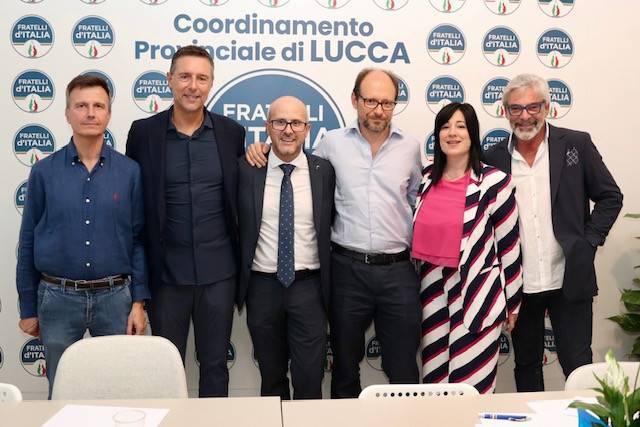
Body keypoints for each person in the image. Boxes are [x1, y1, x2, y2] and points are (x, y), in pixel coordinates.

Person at [246, 68, 422, 398]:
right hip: (346, 272)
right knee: (344, 366)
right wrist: (260, 149)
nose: (378, 109)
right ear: (355, 100)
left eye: (387, 102)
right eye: (370, 101)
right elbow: (291, 158)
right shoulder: (331, 145)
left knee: (403, 367)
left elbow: (416, 200)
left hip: (398, 271)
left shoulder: (411, 148)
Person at [483, 73, 623, 391]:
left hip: (569, 277)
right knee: (527, 365)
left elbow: (610, 197)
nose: (525, 116)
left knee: (578, 365)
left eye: (533, 107)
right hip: (520, 284)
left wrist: (587, 242)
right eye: (516, 108)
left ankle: (584, 416)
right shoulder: (493, 158)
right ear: (505, 111)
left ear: (547, 107)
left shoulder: (576, 144)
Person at [16, 75, 149, 397]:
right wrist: (28, 307)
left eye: (98, 106)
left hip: (115, 299)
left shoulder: (129, 172)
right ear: (67, 113)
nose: (90, 113)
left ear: (108, 114)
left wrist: (138, 302)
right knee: (62, 391)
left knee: (118, 393)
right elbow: (28, 239)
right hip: (58, 299)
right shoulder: (44, 172)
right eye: (81, 106)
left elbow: (138, 240)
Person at [125, 45, 245, 397]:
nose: (193, 86)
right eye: (185, 77)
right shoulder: (143, 133)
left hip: (219, 275)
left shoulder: (232, 133)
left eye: (202, 78)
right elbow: (134, 211)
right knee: (166, 370)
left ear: (211, 83)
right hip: (166, 278)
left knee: (215, 366)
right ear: (170, 80)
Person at [412, 102, 522, 393]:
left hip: (477, 294)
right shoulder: (425, 179)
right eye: (445, 126)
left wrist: (513, 303)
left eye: (460, 126)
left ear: (472, 134)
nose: (452, 133)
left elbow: (510, 247)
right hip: (432, 291)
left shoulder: (495, 182)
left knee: (471, 387)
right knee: (435, 385)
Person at [237, 96, 335, 399]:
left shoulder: (324, 171)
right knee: (271, 378)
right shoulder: (247, 169)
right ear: (267, 127)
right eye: (280, 122)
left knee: (309, 379)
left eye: (296, 123)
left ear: (308, 129)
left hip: (309, 289)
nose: (288, 130)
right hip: (262, 288)